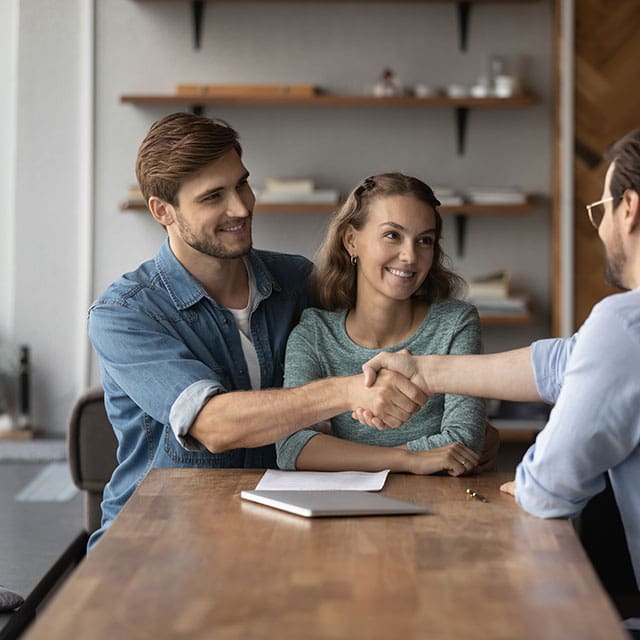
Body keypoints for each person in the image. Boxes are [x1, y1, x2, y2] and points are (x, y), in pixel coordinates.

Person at [87, 113, 427, 549]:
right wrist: (346, 392)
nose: (242, 207)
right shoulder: (124, 314)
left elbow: (370, 367)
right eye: (214, 196)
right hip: (156, 541)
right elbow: (213, 425)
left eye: (242, 184)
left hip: (273, 531)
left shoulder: (297, 281)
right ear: (162, 212)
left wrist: (458, 426)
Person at [357, 129, 640, 590]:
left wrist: (531, 486)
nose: (601, 226)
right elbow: (561, 364)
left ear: (628, 209)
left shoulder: (625, 322)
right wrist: (422, 369)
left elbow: (551, 489)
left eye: (601, 210)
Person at [276, 173, 486, 476]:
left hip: (442, 504)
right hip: (347, 508)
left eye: (424, 241)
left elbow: (464, 443)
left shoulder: (455, 323)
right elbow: (291, 447)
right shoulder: (314, 333)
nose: (410, 256)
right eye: (392, 235)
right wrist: (406, 459)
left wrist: (344, 455)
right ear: (351, 241)